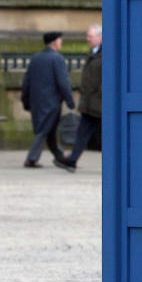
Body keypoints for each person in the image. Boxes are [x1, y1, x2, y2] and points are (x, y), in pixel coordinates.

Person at [21, 31, 75, 169]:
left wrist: (25, 100)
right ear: (55, 42)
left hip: (36, 101)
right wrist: (70, 100)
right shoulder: (57, 59)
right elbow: (63, 82)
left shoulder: (35, 58)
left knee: (49, 130)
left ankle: (59, 155)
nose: (61, 43)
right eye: (60, 40)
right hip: (52, 102)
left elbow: (26, 81)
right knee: (43, 130)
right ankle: (32, 158)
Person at [57, 24, 102, 172]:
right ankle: (72, 160)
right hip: (90, 103)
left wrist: (100, 96)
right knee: (82, 133)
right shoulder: (94, 53)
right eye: (87, 36)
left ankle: (72, 160)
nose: (87, 39)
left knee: (102, 136)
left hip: (99, 103)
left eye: (90, 36)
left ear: (100, 38)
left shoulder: (105, 54)